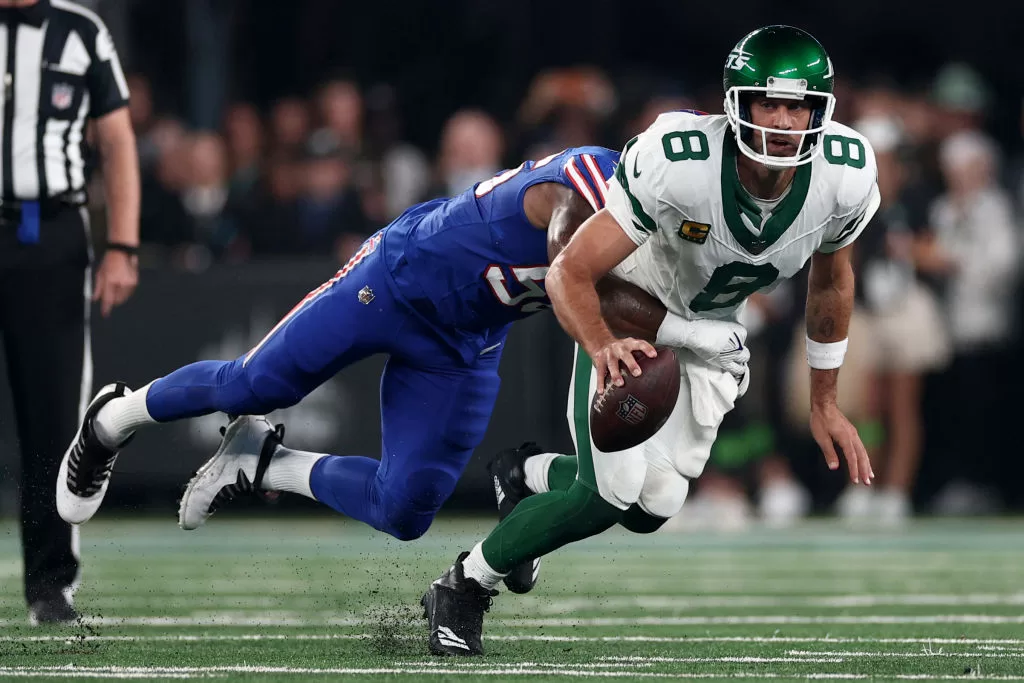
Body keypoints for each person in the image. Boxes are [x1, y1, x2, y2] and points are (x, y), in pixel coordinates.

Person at [420, 24, 880, 656]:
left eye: (796, 105)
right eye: (766, 103)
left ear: (820, 112)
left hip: (715, 330)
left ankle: (526, 477)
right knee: (606, 492)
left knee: (651, 505)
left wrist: (824, 399)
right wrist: (603, 342)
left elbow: (832, 282)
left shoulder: (844, 177)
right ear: (734, 105)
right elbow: (572, 272)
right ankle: (463, 585)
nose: (781, 121)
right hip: (635, 311)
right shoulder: (680, 160)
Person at [56, 141, 750, 554]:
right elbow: (574, 268)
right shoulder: (591, 182)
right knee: (251, 385)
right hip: (392, 282)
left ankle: (262, 463)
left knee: (407, 510)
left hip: (466, 341)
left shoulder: (673, 234)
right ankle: (114, 419)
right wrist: (685, 333)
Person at [0, 0, 139, 624]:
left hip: (47, 233)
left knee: (51, 413)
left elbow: (116, 139)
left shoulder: (80, 31)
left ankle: (50, 584)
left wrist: (122, 246)